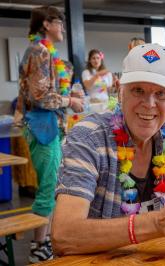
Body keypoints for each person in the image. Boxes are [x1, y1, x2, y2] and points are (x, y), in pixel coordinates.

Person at [52, 43, 165, 255]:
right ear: (120, 91)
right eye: (138, 90)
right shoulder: (89, 137)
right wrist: (157, 223)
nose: (149, 104)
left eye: (161, 94)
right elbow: (64, 235)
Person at [13, 5, 84, 263]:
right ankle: (38, 246)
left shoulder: (44, 51)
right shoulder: (40, 51)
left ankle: (44, 243)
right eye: (59, 23)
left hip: (45, 125)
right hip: (42, 126)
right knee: (49, 186)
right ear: (46, 24)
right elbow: (40, 97)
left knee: (52, 184)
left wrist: (67, 98)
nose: (63, 28)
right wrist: (70, 102)